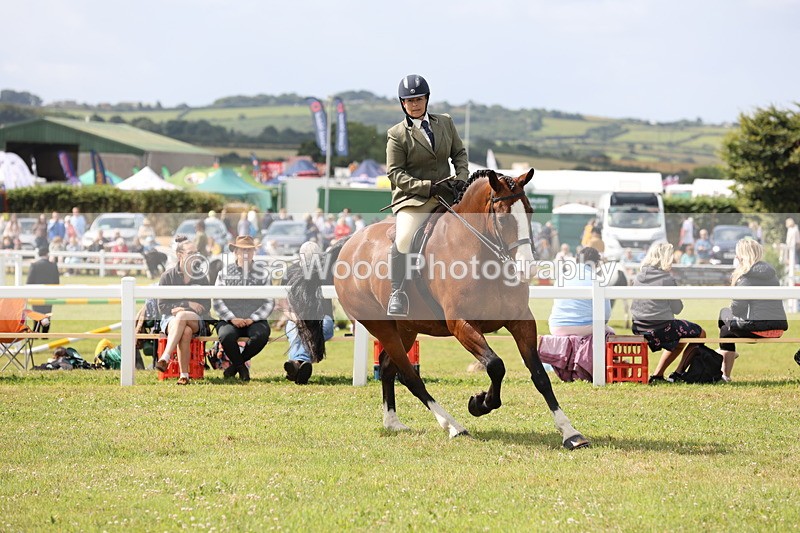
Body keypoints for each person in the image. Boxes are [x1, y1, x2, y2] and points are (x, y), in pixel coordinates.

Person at [385, 74, 469, 316]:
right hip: (414, 199)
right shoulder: (397, 134)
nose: (415, 104)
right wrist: (424, 186)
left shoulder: (445, 122)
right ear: (403, 103)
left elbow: (459, 154)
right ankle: (397, 292)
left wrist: (461, 180)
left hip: (447, 194)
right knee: (403, 239)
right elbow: (395, 173)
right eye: (409, 100)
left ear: (427, 99)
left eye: (419, 99)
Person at [631, 242, 705, 384]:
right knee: (700, 333)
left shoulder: (639, 277)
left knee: (679, 337)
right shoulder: (667, 279)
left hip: (639, 327)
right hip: (661, 327)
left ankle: (658, 375)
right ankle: (678, 373)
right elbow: (677, 308)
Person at [717, 239, 787, 382]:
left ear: (742, 256)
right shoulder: (772, 275)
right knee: (727, 326)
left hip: (757, 328)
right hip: (778, 328)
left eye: (737, 255)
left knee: (724, 322)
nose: (735, 258)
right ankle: (729, 353)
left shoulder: (745, 278)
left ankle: (726, 372)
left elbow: (736, 308)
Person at [213, 235, 274, 381]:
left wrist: (252, 318)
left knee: (260, 336)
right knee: (226, 336)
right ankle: (242, 368)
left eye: (249, 251)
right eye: (242, 251)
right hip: (230, 319)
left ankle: (235, 367)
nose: (246, 254)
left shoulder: (264, 273)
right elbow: (217, 300)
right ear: (235, 252)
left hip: (255, 319)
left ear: (254, 252)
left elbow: (269, 301)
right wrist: (232, 318)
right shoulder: (224, 273)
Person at [154, 237, 211, 385]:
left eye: (196, 252)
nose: (195, 256)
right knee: (184, 331)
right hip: (170, 321)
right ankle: (184, 375)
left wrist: (181, 307)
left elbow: (206, 306)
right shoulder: (168, 276)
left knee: (181, 315)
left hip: (195, 320)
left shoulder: (201, 278)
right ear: (180, 255)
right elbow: (162, 307)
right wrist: (188, 303)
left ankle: (165, 357)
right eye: (190, 253)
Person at [283, 241, 334, 384]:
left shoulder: (326, 274)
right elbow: (281, 303)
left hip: (322, 317)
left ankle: (296, 364)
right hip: (294, 317)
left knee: (323, 328)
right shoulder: (290, 273)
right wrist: (295, 318)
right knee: (296, 329)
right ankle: (302, 365)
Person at [548, 247, 614, 336]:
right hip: (584, 327)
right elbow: (606, 315)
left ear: (577, 260)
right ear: (596, 263)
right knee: (610, 332)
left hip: (556, 327)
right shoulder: (599, 280)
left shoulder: (562, 277)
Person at [26, 246, 60, 333]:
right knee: (47, 313)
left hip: (36, 294)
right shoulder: (53, 266)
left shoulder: (34, 265)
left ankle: (36, 330)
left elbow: (29, 281)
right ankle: (45, 332)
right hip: (49, 293)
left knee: (36, 313)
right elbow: (57, 281)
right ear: (47, 254)